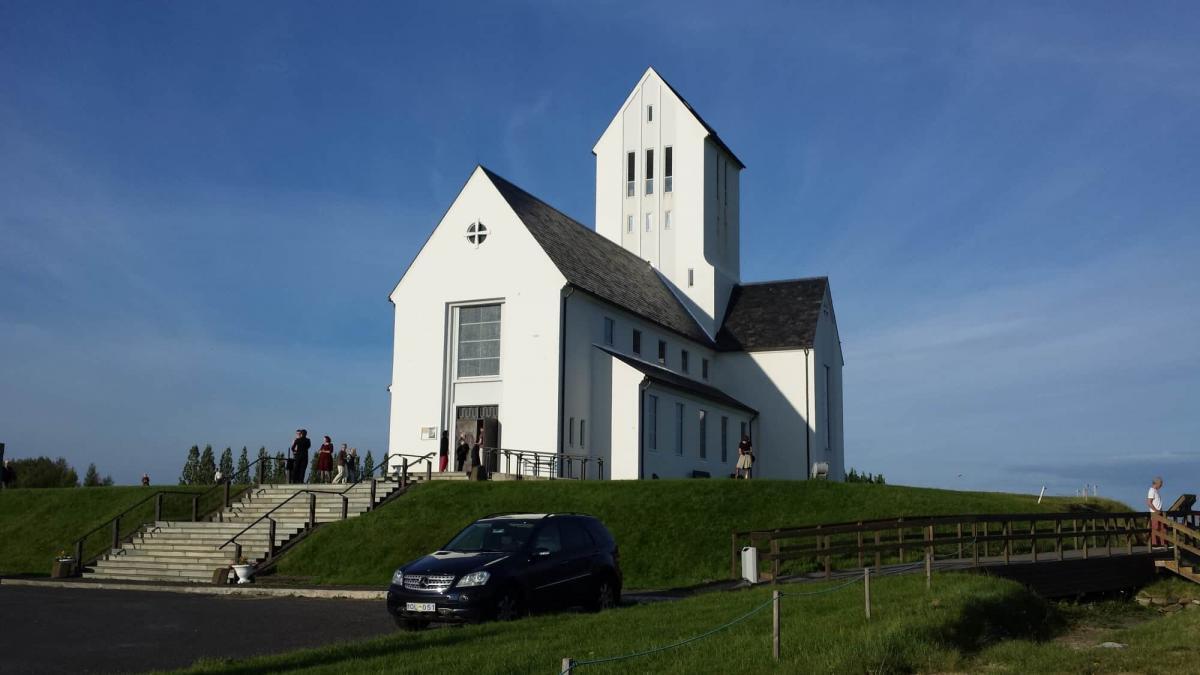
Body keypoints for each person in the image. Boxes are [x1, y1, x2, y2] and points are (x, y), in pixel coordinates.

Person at [1148, 476, 1166, 548]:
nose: (1161, 485)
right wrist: (1156, 511)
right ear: (1157, 483)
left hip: (1159, 512)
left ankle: (1161, 544)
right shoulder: (1152, 490)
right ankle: (1155, 544)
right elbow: (1149, 502)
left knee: (1161, 528)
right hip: (1155, 513)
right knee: (1155, 528)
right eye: (1161, 483)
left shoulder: (1155, 491)